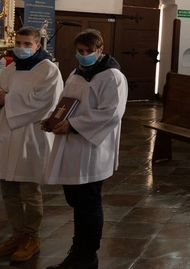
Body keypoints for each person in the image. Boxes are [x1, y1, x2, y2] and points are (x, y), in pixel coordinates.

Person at [42, 29, 128, 269]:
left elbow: (112, 113)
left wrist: (73, 125)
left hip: (92, 148)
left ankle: (87, 256)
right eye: (79, 51)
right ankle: (77, 252)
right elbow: (66, 102)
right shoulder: (76, 72)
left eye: (88, 51)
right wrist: (52, 119)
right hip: (72, 145)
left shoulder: (112, 76)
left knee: (88, 202)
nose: (83, 56)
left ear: (99, 50)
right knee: (77, 200)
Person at [0, 27, 63, 262]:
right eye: (18, 43)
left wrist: (8, 99)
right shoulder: (12, 67)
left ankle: (32, 237)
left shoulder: (48, 70)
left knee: (29, 190)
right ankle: (17, 234)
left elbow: (45, 103)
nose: (21, 48)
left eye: (27, 44)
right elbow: (2, 90)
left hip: (31, 134)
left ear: (38, 45)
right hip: (7, 133)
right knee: (8, 190)